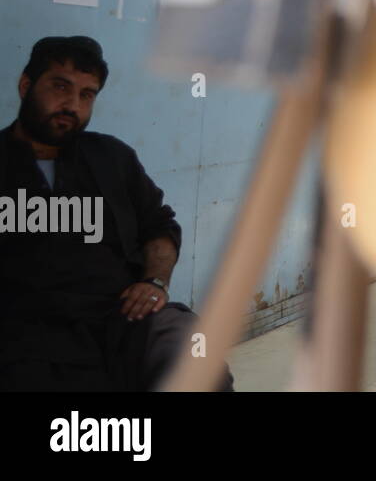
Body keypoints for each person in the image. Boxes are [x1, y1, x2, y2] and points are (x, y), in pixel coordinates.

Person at [0, 36, 233, 391]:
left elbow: (160, 226)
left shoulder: (111, 158)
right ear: (26, 85)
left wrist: (154, 282)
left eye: (87, 94)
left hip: (119, 316)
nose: (71, 104)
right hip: (25, 330)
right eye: (60, 87)